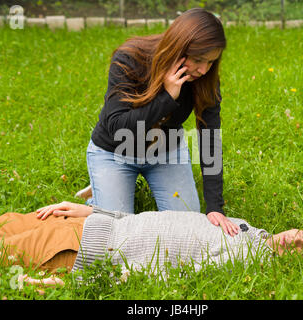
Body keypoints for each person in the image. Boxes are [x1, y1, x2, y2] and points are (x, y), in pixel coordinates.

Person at [80, 8, 240, 236]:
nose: (204, 70)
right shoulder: (130, 59)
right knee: (116, 231)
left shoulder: (204, 78)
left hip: (165, 153)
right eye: (198, 60)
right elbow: (117, 126)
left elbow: (209, 137)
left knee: (188, 230)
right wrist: (166, 98)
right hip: (115, 153)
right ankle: (102, 192)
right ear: (178, 47)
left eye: (211, 62)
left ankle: (114, 191)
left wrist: (215, 206)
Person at [0, 201, 303, 286]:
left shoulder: (242, 262)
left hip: (86, 252)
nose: (296, 241)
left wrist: (79, 283)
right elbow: (157, 221)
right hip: (94, 223)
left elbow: (165, 273)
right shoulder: (242, 225)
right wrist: (91, 211)